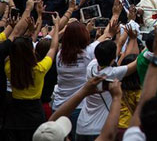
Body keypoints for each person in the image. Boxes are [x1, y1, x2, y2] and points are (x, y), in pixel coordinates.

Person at [4, 12, 60, 141]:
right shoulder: (39, 69)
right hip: (34, 113)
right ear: (31, 52)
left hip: (14, 114)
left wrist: (28, 32)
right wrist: (56, 27)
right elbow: (52, 48)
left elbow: (18, 47)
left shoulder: (8, 67)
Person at [76, 40, 137, 140]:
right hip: (100, 129)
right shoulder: (113, 73)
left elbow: (104, 55)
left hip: (82, 126)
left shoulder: (91, 66)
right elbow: (136, 63)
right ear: (113, 60)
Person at [51, 21, 100, 140]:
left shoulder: (59, 55)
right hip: (79, 107)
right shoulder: (89, 51)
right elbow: (107, 35)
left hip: (59, 107)